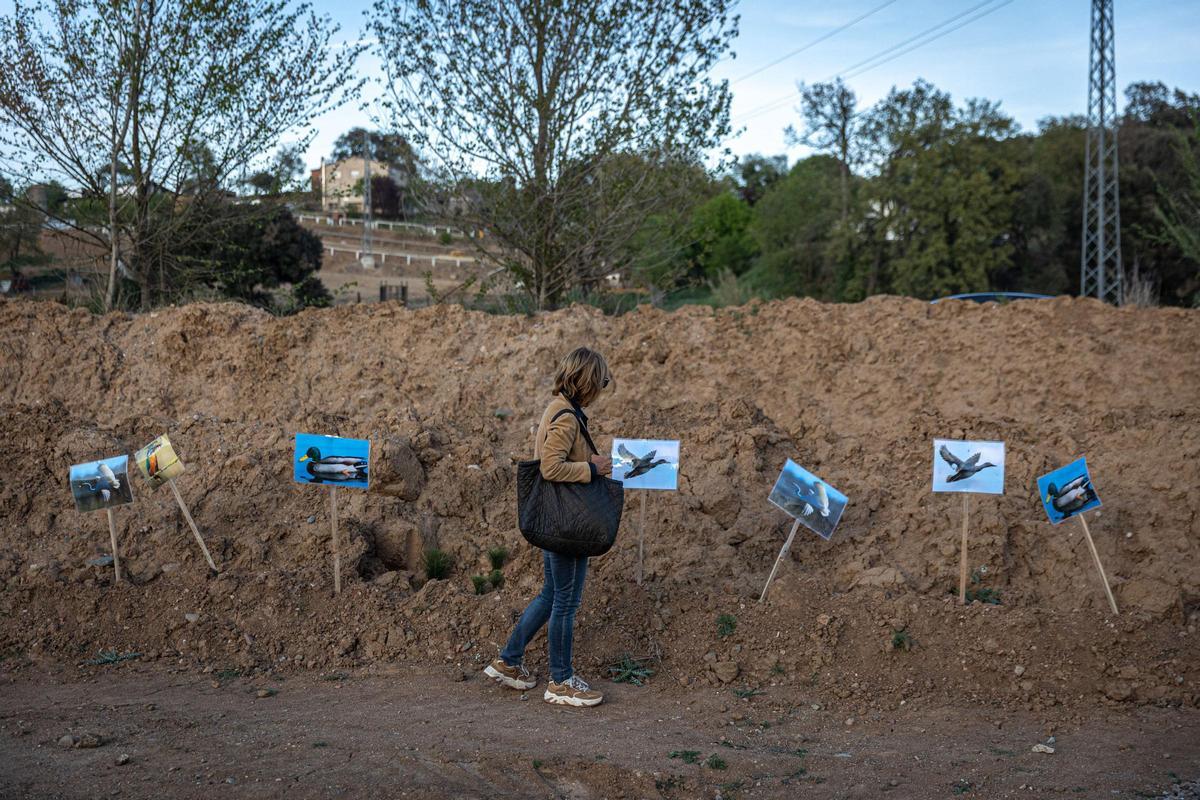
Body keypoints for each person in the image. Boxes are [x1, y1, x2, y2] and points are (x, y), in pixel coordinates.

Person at [484, 347, 613, 707]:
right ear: (587, 381)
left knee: (551, 594)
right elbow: (550, 468)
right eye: (601, 381)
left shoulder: (557, 407)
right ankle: (561, 680)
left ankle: (509, 661)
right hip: (566, 523)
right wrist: (592, 469)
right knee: (566, 602)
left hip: (556, 519)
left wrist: (587, 461)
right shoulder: (568, 417)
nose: (602, 388)